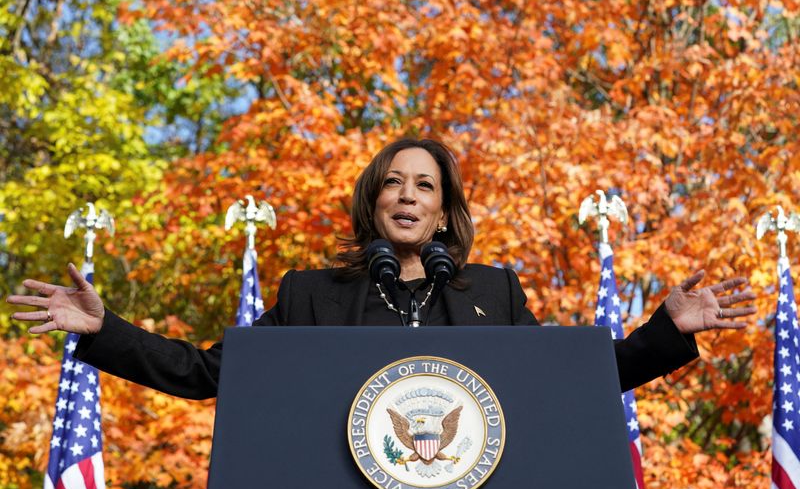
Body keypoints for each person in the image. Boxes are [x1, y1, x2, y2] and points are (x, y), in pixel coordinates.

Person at [7, 139, 756, 401]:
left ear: (442, 212)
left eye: (425, 185)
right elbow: (210, 373)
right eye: (394, 182)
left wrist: (664, 330)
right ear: (374, 202)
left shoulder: (492, 291)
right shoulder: (311, 293)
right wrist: (106, 332)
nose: (408, 194)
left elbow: (565, 379)